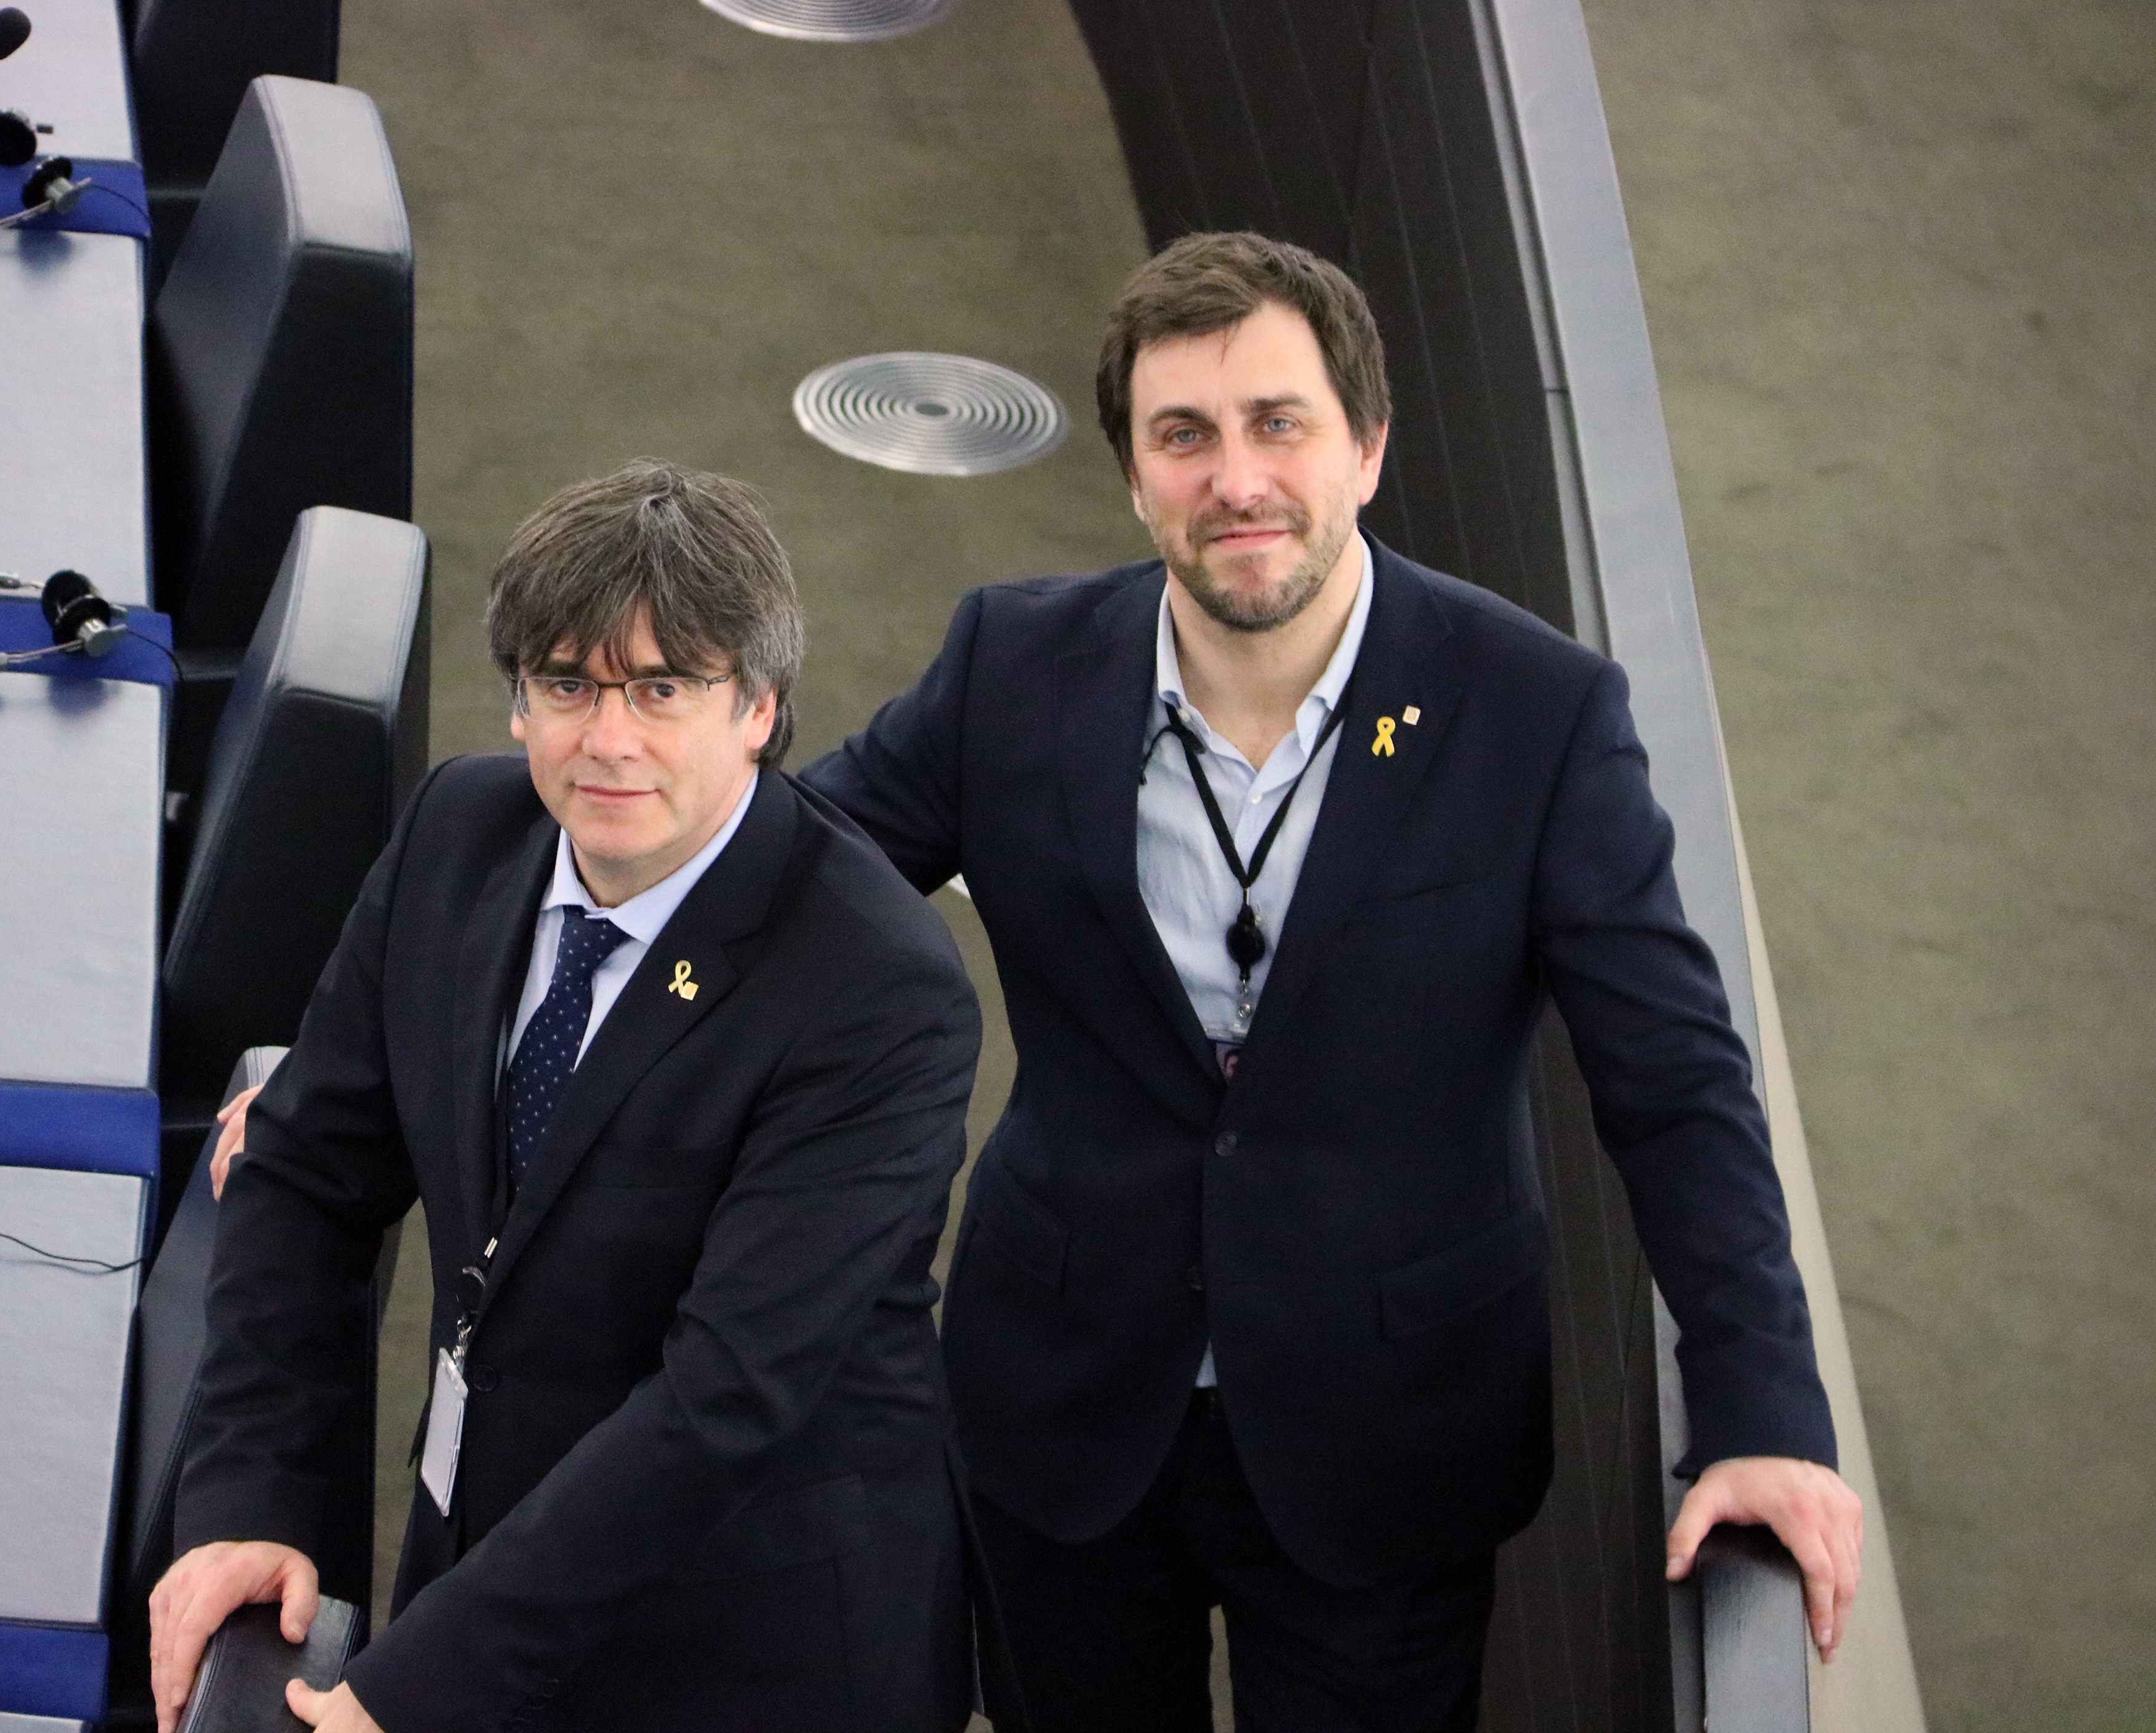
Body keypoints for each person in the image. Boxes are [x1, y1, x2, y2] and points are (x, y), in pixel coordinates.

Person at [797, 232, 1864, 1732]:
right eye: (1184, 435)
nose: (1235, 479)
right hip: (1062, 1407)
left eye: (1276, 423)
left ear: (1365, 447)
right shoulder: (1011, 664)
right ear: (1133, 474)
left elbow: (1676, 1082)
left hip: (1392, 1439)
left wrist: (1760, 1408)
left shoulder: (1536, 713)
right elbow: (799, 877)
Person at [150, 461, 983, 1733]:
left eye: (662, 688)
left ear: (758, 705)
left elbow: (724, 1401)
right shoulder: (458, 835)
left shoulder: (876, 990)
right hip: (483, 1559)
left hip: (740, 1650)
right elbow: (309, 1172)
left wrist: (415, 1682)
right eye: (565, 686)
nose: (606, 740)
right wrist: (249, 1500)